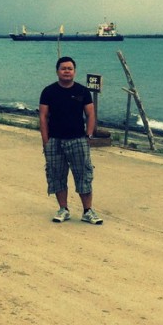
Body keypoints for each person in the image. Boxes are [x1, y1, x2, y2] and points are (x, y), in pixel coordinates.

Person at [39, 56, 103, 224]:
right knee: (56, 175)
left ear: (74, 71)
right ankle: (63, 209)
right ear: (57, 71)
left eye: (70, 68)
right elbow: (43, 117)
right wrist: (46, 141)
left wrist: (88, 135)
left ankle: (87, 211)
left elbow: (90, 114)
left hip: (78, 140)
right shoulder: (48, 92)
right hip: (55, 140)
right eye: (63, 68)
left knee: (84, 175)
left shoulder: (82, 91)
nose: (67, 71)